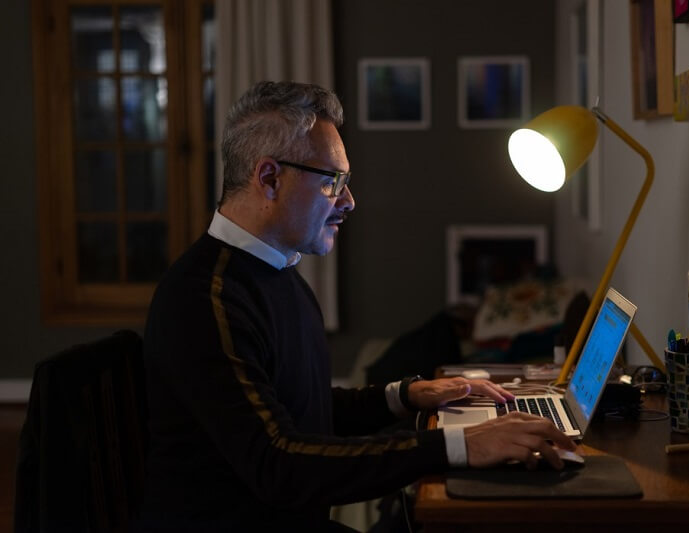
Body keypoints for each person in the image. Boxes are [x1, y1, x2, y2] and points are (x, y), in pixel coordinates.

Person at [139, 80, 576, 531]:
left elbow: (298, 408)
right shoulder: (204, 299)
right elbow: (278, 464)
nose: (348, 201)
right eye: (333, 182)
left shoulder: (276, 271)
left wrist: (403, 396)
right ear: (269, 178)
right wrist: (462, 446)